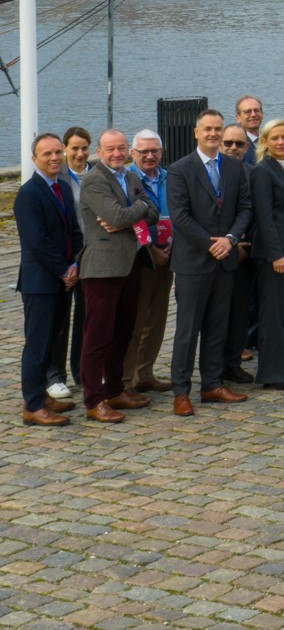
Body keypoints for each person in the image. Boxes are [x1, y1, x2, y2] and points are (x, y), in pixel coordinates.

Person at [165, 109, 253, 415]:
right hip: (193, 262)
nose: (214, 134)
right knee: (187, 331)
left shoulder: (234, 167)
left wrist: (229, 239)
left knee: (218, 327)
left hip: (225, 259)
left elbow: (244, 208)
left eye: (218, 129)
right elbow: (180, 216)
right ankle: (181, 391)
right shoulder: (179, 169)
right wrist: (210, 243)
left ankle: (212, 384)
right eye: (208, 129)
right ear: (196, 132)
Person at [75, 130, 157, 420]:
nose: (117, 154)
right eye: (110, 149)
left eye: (122, 148)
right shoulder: (94, 180)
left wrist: (132, 211)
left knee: (123, 332)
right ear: (99, 151)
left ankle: (114, 390)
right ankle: (93, 400)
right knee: (97, 336)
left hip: (131, 262)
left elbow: (153, 212)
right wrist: (136, 210)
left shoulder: (131, 177)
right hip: (102, 269)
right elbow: (120, 217)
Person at [15, 134, 83, 425]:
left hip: (63, 278)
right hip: (40, 281)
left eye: (58, 152)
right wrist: (63, 270)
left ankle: (43, 395)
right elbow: (36, 241)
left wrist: (76, 263)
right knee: (37, 343)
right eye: (47, 154)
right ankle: (32, 404)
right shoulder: (29, 194)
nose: (55, 158)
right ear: (35, 159)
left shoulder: (63, 189)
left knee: (54, 340)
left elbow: (74, 231)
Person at [249, 120, 284, 391]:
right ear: (265, 142)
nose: (281, 142)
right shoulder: (262, 171)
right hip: (274, 254)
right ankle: (272, 374)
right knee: (273, 314)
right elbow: (264, 216)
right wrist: (277, 254)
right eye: (275, 138)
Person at [123, 130, 174, 395]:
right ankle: (127, 379)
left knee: (158, 317)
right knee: (136, 318)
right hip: (142, 257)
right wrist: (150, 249)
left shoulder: (169, 177)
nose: (150, 156)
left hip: (169, 253)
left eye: (155, 151)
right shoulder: (128, 179)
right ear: (133, 153)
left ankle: (145, 373)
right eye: (144, 152)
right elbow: (132, 220)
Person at [53, 126, 91, 400]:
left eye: (84, 148)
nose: (79, 153)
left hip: (92, 255)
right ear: (65, 149)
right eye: (74, 148)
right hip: (68, 257)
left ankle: (81, 370)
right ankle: (56, 375)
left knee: (86, 317)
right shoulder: (58, 177)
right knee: (60, 318)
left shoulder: (96, 174)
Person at [218, 125, 257, 385]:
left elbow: (256, 211)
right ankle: (215, 367)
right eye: (228, 143)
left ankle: (233, 364)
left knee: (240, 311)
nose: (233, 148)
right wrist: (231, 243)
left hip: (246, 253)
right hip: (217, 252)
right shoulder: (210, 172)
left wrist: (246, 243)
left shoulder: (254, 173)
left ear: (246, 147)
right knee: (218, 314)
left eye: (239, 144)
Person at [234, 96, 264, 162]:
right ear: (238, 117)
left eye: (256, 110)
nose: (253, 114)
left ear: (262, 114)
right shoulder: (235, 144)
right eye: (248, 111)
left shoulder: (269, 139)